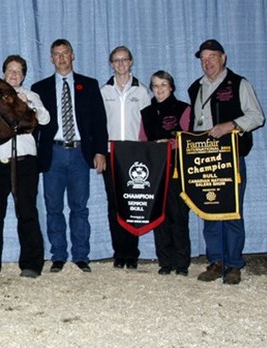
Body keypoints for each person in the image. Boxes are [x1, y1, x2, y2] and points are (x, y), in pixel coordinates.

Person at [188, 39, 265, 285]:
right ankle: (216, 261)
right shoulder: (195, 88)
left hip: (231, 158)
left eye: (212, 57)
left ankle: (233, 264)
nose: (207, 62)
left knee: (232, 211)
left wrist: (230, 125)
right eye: (203, 59)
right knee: (209, 210)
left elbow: (256, 116)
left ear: (224, 58)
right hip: (204, 159)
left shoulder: (239, 83)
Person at [31, 39, 108, 273]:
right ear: (51, 58)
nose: (61, 58)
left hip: (79, 153)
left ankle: (81, 255)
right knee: (53, 207)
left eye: (65, 53)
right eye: (57, 54)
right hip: (52, 153)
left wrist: (100, 151)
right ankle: (58, 255)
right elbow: (34, 127)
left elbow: (99, 122)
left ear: (73, 55)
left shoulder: (89, 85)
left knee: (79, 207)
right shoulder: (39, 89)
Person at [0, 55, 50, 278]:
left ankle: (32, 264)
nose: (14, 74)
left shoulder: (31, 96)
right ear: (3, 74)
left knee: (26, 211)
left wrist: (29, 104)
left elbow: (45, 119)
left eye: (18, 71)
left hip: (24, 162)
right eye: (10, 70)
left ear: (24, 76)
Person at [99, 46, 151, 269]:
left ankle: (132, 253)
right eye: (116, 60)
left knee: (132, 204)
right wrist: (99, 152)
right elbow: (98, 125)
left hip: (135, 154)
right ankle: (119, 252)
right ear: (111, 64)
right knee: (114, 205)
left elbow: (148, 126)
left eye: (124, 60)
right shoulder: (104, 91)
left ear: (131, 62)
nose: (120, 64)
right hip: (111, 154)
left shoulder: (142, 92)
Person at [139, 70, 191, 276]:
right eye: (155, 86)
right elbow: (142, 141)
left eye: (163, 85)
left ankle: (182, 262)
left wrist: (168, 144)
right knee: (159, 217)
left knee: (178, 216)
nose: (159, 90)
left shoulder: (183, 109)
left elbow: (188, 138)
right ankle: (165, 261)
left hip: (177, 170)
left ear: (171, 87)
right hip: (156, 171)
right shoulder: (146, 112)